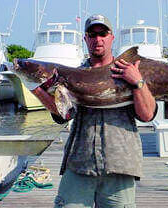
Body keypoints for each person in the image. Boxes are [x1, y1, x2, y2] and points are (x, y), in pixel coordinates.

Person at [31, 14, 157, 208]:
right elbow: (65, 114)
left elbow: (147, 115)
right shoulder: (74, 75)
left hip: (120, 164)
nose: (98, 39)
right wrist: (37, 89)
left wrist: (137, 82)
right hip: (80, 162)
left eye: (103, 33)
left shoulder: (131, 71)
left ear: (112, 37)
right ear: (85, 39)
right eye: (92, 34)